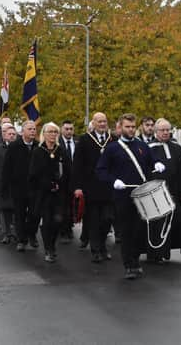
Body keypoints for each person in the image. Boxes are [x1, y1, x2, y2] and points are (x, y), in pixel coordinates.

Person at [97, 113, 165, 280]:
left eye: (133, 127)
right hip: (123, 196)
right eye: (127, 127)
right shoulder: (112, 149)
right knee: (127, 232)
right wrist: (114, 181)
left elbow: (151, 160)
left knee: (139, 231)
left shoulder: (142, 146)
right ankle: (129, 265)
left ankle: (135, 260)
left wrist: (157, 163)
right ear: (120, 127)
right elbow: (101, 171)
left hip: (142, 196)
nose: (131, 130)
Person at [147, 118, 181, 262]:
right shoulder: (148, 148)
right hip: (156, 193)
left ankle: (166, 251)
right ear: (156, 132)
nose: (165, 132)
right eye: (162, 130)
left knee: (179, 221)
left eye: (168, 130)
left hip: (174, 192)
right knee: (157, 224)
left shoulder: (177, 148)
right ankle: (155, 253)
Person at [72, 112, 115, 263]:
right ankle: (96, 249)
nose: (102, 124)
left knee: (107, 219)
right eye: (99, 121)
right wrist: (77, 186)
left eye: (104, 121)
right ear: (94, 123)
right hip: (91, 187)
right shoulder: (84, 140)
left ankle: (102, 245)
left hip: (109, 187)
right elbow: (77, 165)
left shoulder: (113, 140)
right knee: (94, 221)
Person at [29, 122, 70, 262]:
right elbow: (33, 174)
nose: (53, 134)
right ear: (44, 134)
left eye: (55, 132)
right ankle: (48, 249)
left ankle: (52, 244)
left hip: (59, 193)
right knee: (47, 221)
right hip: (44, 193)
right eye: (50, 132)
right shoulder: (38, 151)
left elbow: (68, 170)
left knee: (58, 220)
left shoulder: (61, 151)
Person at [2, 120, 39, 252]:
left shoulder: (38, 146)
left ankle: (32, 234)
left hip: (35, 187)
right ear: (23, 132)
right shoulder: (14, 146)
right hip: (18, 187)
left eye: (34, 129)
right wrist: (4, 185)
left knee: (35, 214)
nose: (33, 131)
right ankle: (21, 240)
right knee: (19, 214)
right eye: (30, 129)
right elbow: (7, 167)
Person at [58, 120, 76, 243]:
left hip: (74, 180)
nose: (69, 131)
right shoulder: (58, 144)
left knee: (73, 205)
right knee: (63, 206)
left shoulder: (77, 143)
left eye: (71, 129)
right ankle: (63, 230)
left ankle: (69, 227)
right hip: (62, 180)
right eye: (66, 129)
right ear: (62, 129)